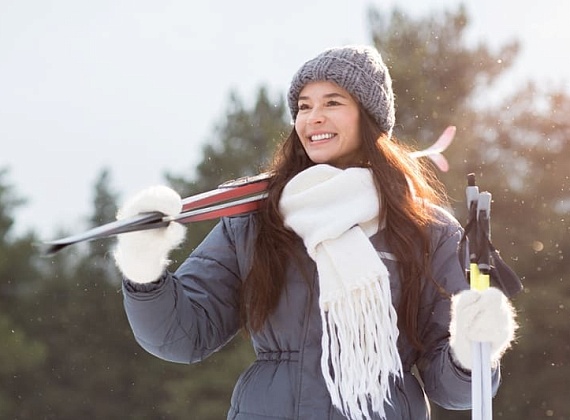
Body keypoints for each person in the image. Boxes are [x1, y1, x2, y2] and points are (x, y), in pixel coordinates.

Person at [114, 45, 517, 419]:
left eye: (332, 103)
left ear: (369, 117)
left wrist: (470, 351)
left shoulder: (425, 230)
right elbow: (183, 336)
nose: (313, 117)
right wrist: (144, 266)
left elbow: (452, 390)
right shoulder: (258, 220)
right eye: (303, 106)